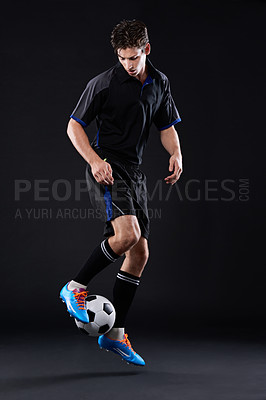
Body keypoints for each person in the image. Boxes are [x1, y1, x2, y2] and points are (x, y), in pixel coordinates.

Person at [60, 19, 183, 366]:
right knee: (127, 235)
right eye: (122, 58)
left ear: (146, 49)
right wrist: (95, 160)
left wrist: (176, 153)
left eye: (133, 57)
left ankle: (115, 335)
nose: (128, 65)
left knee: (140, 253)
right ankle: (76, 286)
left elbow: (166, 125)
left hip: (135, 171)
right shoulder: (103, 84)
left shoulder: (159, 82)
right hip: (109, 165)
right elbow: (74, 126)